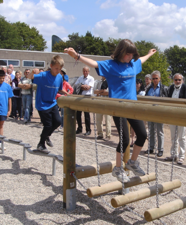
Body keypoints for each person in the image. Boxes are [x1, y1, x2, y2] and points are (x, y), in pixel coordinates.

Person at [64, 39, 156, 182]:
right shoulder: (111, 65)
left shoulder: (132, 64)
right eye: (128, 54)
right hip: (117, 107)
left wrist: (149, 54)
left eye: (132, 54)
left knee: (143, 135)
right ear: (121, 52)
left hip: (133, 106)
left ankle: (132, 162)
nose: (130, 57)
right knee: (125, 139)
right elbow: (94, 63)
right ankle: (118, 169)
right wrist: (76, 56)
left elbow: (141, 60)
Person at [28, 55, 64, 153]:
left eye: (60, 69)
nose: (58, 70)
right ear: (51, 66)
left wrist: (68, 94)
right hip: (42, 104)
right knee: (48, 125)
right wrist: (32, 72)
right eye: (56, 68)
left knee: (57, 122)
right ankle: (41, 144)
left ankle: (47, 135)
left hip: (52, 103)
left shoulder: (59, 77)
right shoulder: (43, 75)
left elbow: (60, 89)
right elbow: (29, 77)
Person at [165, 73, 186, 165]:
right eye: (176, 80)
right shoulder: (171, 88)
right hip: (172, 115)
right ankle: (174, 154)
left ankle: (181, 157)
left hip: (182, 116)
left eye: (179, 80)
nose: (177, 81)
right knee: (173, 136)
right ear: (173, 80)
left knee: (182, 137)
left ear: (182, 80)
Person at [145, 70, 168, 157]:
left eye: (156, 78)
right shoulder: (148, 88)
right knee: (151, 130)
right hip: (150, 112)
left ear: (159, 78)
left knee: (159, 131)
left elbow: (166, 100)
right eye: (153, 78)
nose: (155, 80)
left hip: (159, 113)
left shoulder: (164, 88)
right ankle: (151, 147)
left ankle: (160, 149)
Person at [74, 66, 94, 136]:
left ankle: (88, 130)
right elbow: (76, 86)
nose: (85, 72)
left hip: (87, 97)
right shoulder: (80, 78)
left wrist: (81, 86)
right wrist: (83, 86)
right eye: (84, 71)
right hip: (80, 96)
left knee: (86, 114)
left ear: (88, 71)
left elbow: (88, 87)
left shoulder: (91, 78)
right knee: (78, 114)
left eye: (86, 71)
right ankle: (79, 128)